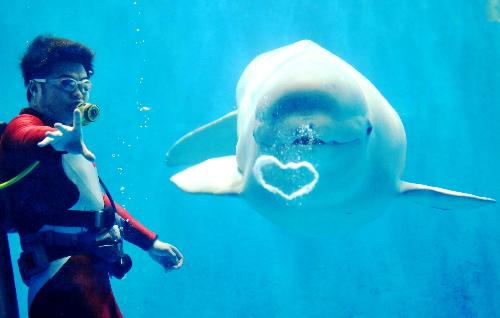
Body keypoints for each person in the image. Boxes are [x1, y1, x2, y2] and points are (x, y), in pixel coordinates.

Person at [0, 35, 184, 318]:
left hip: (89, 278)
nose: (79, 93)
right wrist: (54, 140)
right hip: (61, 282)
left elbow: (100, 207)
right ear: (35, 89)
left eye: (84, 84)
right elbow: (21, 136)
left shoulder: (71, 139)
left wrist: (150, 242)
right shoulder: (31, 128)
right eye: (67, 84)